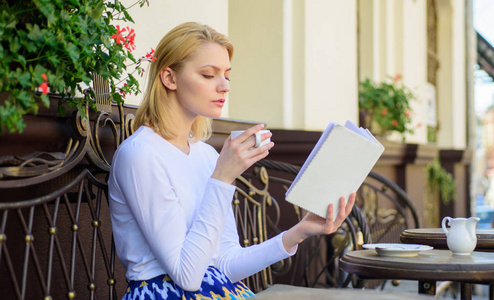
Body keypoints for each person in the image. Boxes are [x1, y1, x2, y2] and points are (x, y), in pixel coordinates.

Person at [108, 22, 356, 300]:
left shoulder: (205, 154)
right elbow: (187, 277)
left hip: (217, 290)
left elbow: (225, 263)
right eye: (208, 74)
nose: (224, 86)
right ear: (169, 78)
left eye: (227, 75)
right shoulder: (140, 154)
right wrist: (222, 178)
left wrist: (299, 232)